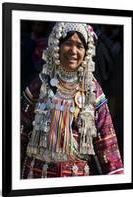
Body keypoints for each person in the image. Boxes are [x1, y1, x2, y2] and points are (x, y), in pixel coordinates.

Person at [20, 22, 123, 179]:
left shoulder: (92, 90)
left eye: (80, 46)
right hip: (36, 178)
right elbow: (18, 133)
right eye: (68, 44)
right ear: (58, 46)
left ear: (86, 51)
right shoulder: (40, 84)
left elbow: (107, 145)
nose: (73, 51)